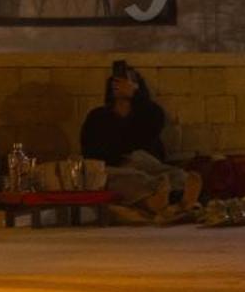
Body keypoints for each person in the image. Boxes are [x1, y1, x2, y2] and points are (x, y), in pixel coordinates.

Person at [80, 64, 198, 224]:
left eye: (127, 81)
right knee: (133, 178)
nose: (120, 85)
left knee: (175, 174)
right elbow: (91, 152)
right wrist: (120, 156)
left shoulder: (147, 112)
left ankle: (180, 201)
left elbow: (152, 128)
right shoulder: (98, 117)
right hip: (117, 168)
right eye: (116, 81)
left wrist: (135, 96)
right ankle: (156, 202)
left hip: (148, 165)